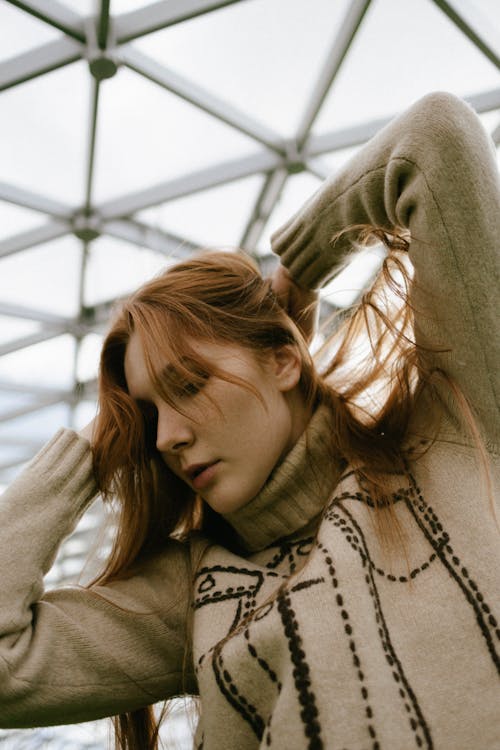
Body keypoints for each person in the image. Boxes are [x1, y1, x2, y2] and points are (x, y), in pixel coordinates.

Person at [0, 91, 498, 750]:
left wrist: (299, 275)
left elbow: (434, 138)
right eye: (147, 414)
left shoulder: (451, 436)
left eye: (190, 384)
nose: (166, 437)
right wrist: (95, 451)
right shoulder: (193, 594)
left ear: (286, 360)